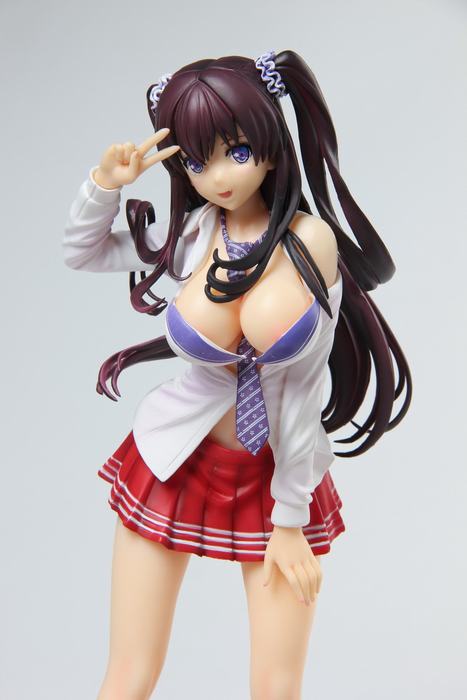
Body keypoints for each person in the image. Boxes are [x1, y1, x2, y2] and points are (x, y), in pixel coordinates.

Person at [63, 50, 411, 700]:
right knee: (128, 675)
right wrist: (105, 185)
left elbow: (302, 391)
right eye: (198, 162)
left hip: (277, 476)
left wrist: (289, 519)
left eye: (237, 152)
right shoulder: (193, 237)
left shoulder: (309, 242)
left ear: (271, 148)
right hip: (174, 462)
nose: (218, 177)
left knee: (276, 687)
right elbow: (81, 252)